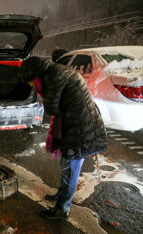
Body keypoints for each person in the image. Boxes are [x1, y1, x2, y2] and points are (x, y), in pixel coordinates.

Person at [20, 56, 107, 220]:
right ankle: (62, 195)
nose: (32, 86)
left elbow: (52, 107)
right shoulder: (56, 71)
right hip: (76, 123)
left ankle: (62, 209)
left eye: (31, 82)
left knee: (71, 169)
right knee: (67, 165)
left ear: (35, 75)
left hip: (80, 128)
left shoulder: (54, 77)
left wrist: (43, 97)